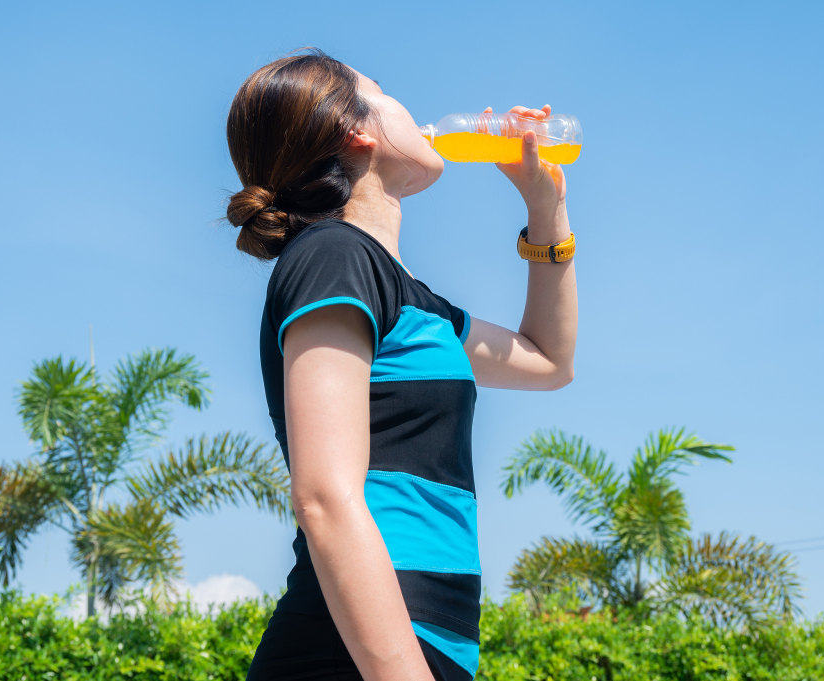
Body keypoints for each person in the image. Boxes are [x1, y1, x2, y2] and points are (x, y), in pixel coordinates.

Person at [225, 49, 577, 681]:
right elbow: (325, 497)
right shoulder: (333, 258)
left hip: (421, 647)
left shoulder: (411, 299)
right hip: (351, 654)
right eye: (384, 92)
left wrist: (545, 207)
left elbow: (548, 360)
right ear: (356, 130)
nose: (411, 109)